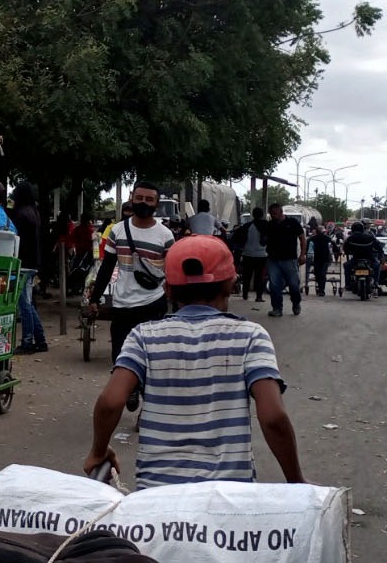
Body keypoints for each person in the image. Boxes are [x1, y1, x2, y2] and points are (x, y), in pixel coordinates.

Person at [83, 235, 304, 487]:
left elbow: (111, 402)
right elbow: (274, 418)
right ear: (232, 284)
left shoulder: (143, 336)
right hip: (229, 496)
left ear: (167, 289)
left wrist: (98, 451)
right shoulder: (251, 337)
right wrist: (295, 480)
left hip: (157, 497)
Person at [86, 182, 175, 365]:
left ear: (156, 204)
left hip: (153, 304)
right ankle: (129, 393)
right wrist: (95, 299)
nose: (143, 203)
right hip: (122, 306)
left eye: (149, 200)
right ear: (131, 199)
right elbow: (107, 266)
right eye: (139, 198)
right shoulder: (117, 231)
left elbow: (172, 271)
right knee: (120, 358)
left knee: (151, 360)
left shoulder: (166, 236)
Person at [10, 182, 47, 354]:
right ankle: (40, 340)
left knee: (24, 305)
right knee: (29, 304)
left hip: (23, 263)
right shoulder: (33, 213)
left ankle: (28, 342)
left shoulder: (20, 214)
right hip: (33, 263)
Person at [262, 203, 307, 318]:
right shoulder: (270, 225)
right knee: (274, 285)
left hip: (289, 260)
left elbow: (302, 239)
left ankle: (296, 303)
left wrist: (302, 255)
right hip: (273, 260)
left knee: (294, 285)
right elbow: (264, 240)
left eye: (275, 214)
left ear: (281, 212)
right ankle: (277, 308)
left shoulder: (292, 223)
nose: (273, 216)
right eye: (271, 214)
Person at [232, 208, 268, 302]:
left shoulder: (247, 226)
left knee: (247, 275)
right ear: (262, 215)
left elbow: (236, 236)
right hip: (261, 255)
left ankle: (245, 294)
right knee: (259, 276)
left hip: (247, 254)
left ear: (253, 215)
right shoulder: (266, 225)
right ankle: (259, 296)